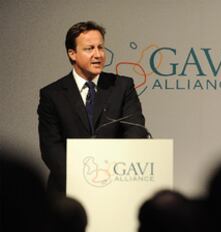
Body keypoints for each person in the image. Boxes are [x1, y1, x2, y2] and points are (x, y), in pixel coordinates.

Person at [37, 21, 147, 195]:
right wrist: (81, 182)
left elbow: (136, 131)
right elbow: (52, 147)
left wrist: (113, 175)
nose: (98, 55)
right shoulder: (52, 94)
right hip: (68, 191)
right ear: (72, 54)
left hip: (116, 187)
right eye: (89, 49)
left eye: (101, 48)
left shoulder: (122, 86)